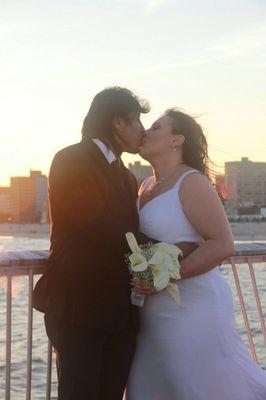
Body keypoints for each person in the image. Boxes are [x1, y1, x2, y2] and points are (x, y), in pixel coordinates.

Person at [33, 88, 197, 400]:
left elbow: (123, 232)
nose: (142, 130)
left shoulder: (126, 176)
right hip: (79, 307)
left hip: (120, 314)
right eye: (136, 121)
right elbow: (96, 224)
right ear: (118, 123)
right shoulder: (71, 159)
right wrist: (168, 249)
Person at [126, 109, 266, 400]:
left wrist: (168, 276)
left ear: (177, 140)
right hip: (151, 313)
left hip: (193, 307)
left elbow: (223, 243)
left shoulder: (191, 182)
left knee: (197, 386)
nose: (145, 132)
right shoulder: (145, 187)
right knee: (149, 386)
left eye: (155, 127)